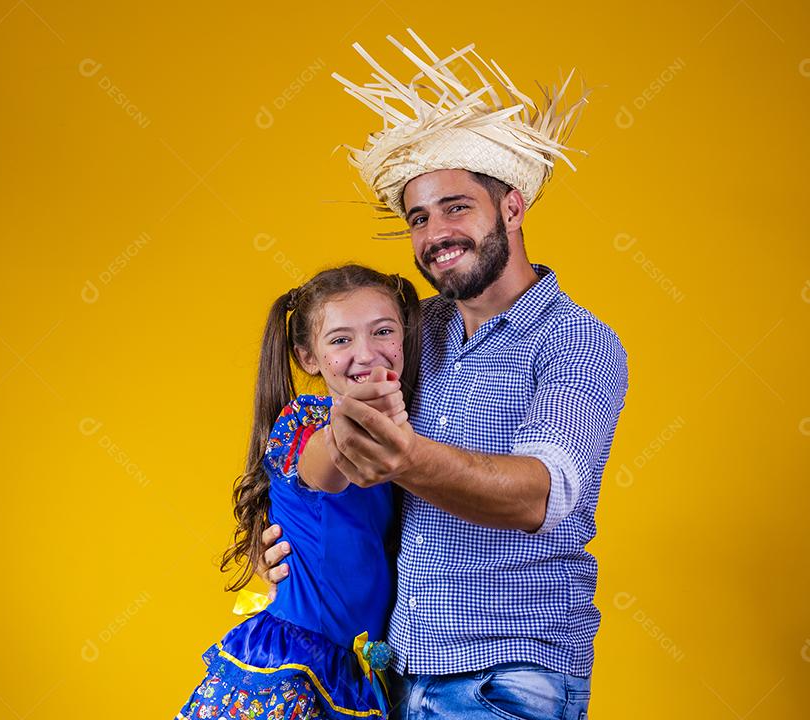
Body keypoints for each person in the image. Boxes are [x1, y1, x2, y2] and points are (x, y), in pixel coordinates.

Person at [260, 30, 629, 719]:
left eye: (457, 207)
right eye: (419, 218)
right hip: (397, 670)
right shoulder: (409, 332)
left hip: (509, 674)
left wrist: (404, 456)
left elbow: (540, 497)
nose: (435, 234)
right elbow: (326, 472)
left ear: (512, 208)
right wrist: (292, 539)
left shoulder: (578, 341)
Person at [174, 265, 421, 720]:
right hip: (292, 664)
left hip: (353, 669)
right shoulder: (305, 426)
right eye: (341, 340)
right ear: (308, 358)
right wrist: (352, 423)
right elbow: (326, 467)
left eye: (383, 332)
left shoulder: (403, 439)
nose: (366, 354)